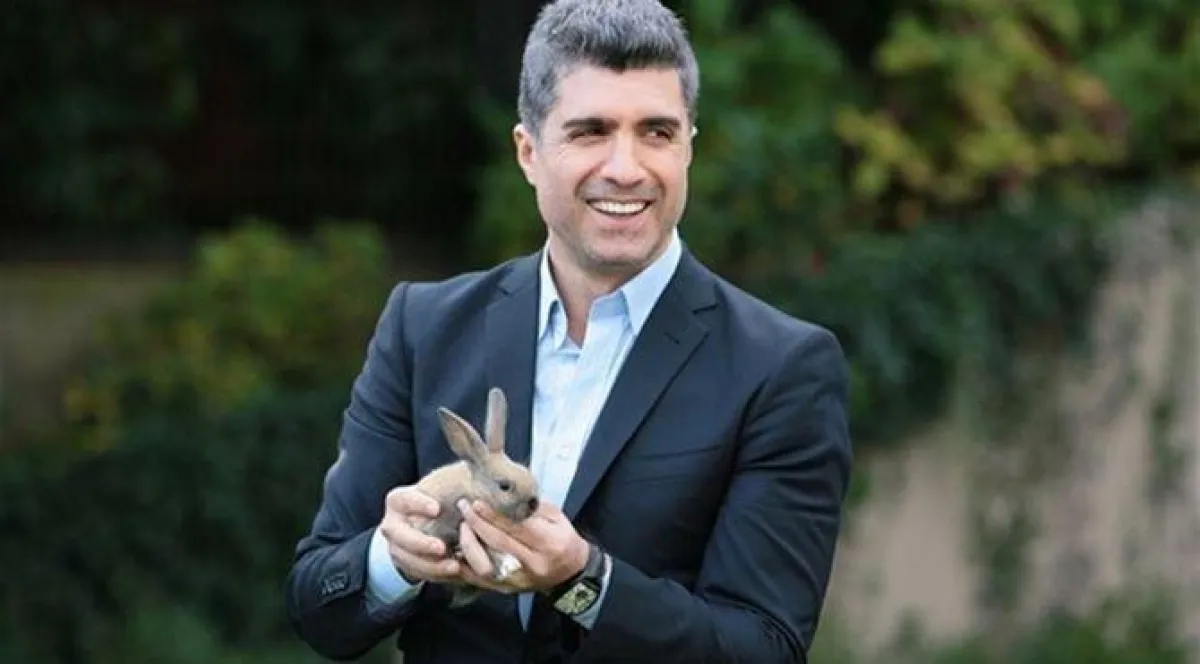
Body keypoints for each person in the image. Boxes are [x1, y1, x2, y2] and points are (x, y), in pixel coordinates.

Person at [284, 0, 853, 661]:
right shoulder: (424, 328)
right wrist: (393, 559)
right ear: (528, 152)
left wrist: (584, 581)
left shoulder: (781, 368)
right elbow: (318, 605)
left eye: (657, 133)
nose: (626, 168)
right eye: (590, 132)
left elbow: (763, 648)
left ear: (689, 148)